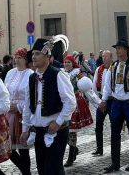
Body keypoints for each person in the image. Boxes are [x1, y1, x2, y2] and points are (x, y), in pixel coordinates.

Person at [20, 35, 76, 175]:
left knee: (53, 169)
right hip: (39, 131)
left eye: (37, 53)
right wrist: (25, 128)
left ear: (47, 56)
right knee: (42, 169)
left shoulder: (58, 75)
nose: (33, 57)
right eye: (32, 54)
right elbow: (27, 106)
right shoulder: (32, 78)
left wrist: (57, 122)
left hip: (56, 131)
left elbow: (70, 102)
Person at [100, 39, 129, 173]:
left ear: (126, 50)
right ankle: (115, 163)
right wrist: (103, 100)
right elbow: (107, 85)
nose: (118, 51)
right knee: (114, 133)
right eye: (117, 49)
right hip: (116, 103)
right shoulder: (113, 66)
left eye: (120, 48)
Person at [4, 48, 32, 175]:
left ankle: (26, 172)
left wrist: (19, 107)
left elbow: (31, 97)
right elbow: (4, 91)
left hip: (22, 114)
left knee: (23, 148)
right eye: (15, 57)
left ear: (26, 59)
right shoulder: (10, 73)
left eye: (19, 57)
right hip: (8, 113)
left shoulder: (30, 74)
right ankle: (23, 169)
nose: (16, 60)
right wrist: (6, 103)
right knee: (7, 147)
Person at [62, 55, 94, 167]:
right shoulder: (61, 73)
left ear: (72, 64)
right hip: (64, 104)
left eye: (68, 62)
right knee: (63, 131)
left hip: (75, 103)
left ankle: (71, 156)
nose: (66, 64)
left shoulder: (77, 73)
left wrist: (96, 101)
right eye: (65, 62)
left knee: (71, 131)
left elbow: (86, 87)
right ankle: (74, 149)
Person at [92, 50, 112, 156]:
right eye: (103, 56)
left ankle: (114, 147)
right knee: (98, 125)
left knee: (114, 124)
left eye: (106, 56)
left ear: (111, 57)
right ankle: (99, 148)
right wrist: (97, 101)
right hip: (101, 101)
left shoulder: (114, 68)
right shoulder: (98, 69)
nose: (104, 58)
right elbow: (94, 86)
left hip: (112, 100)